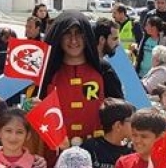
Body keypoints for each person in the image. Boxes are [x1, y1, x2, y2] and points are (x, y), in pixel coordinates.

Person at [41, 11, 123, 144]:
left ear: (87, 37)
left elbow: (119, 111)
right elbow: (32, 108)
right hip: (55, 150)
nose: (73, 40)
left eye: (79, 33)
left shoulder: (102, 69)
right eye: (67, 33)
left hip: (97, 152)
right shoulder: (48, 72)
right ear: (58, 37)